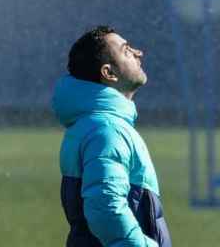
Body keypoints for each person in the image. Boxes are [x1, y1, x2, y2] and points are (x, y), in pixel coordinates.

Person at [52, 25, 172, 247]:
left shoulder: (98, 124)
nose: (139, 53)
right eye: (127, 50)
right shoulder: (107, 130)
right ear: (108, 73)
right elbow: (106, 207)